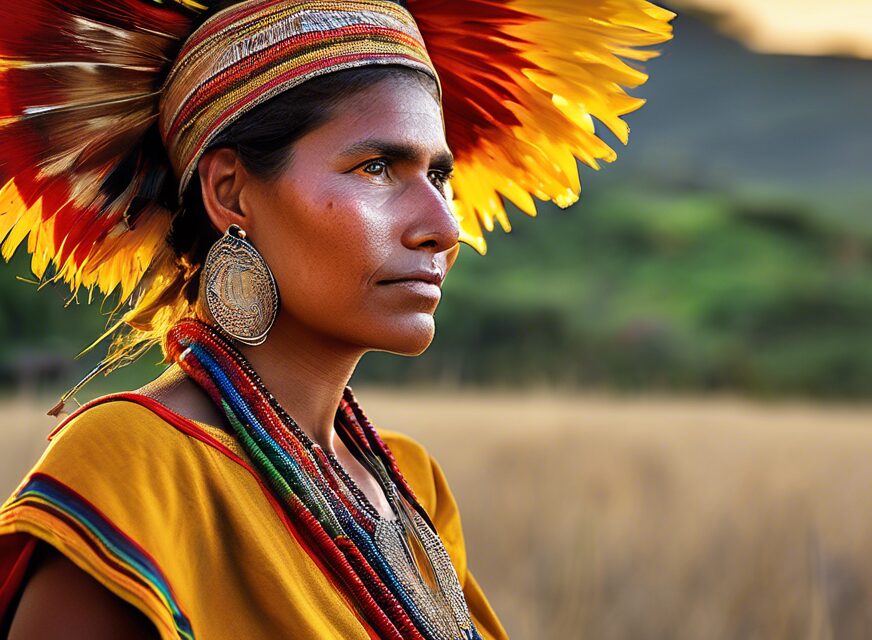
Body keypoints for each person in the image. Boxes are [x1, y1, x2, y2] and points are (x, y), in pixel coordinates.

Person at [0, 0, 672, 637]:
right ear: (229, 191)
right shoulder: (134, 469)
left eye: (440, 176)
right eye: (378, 167)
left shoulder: (410, 484)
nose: (443, 228)